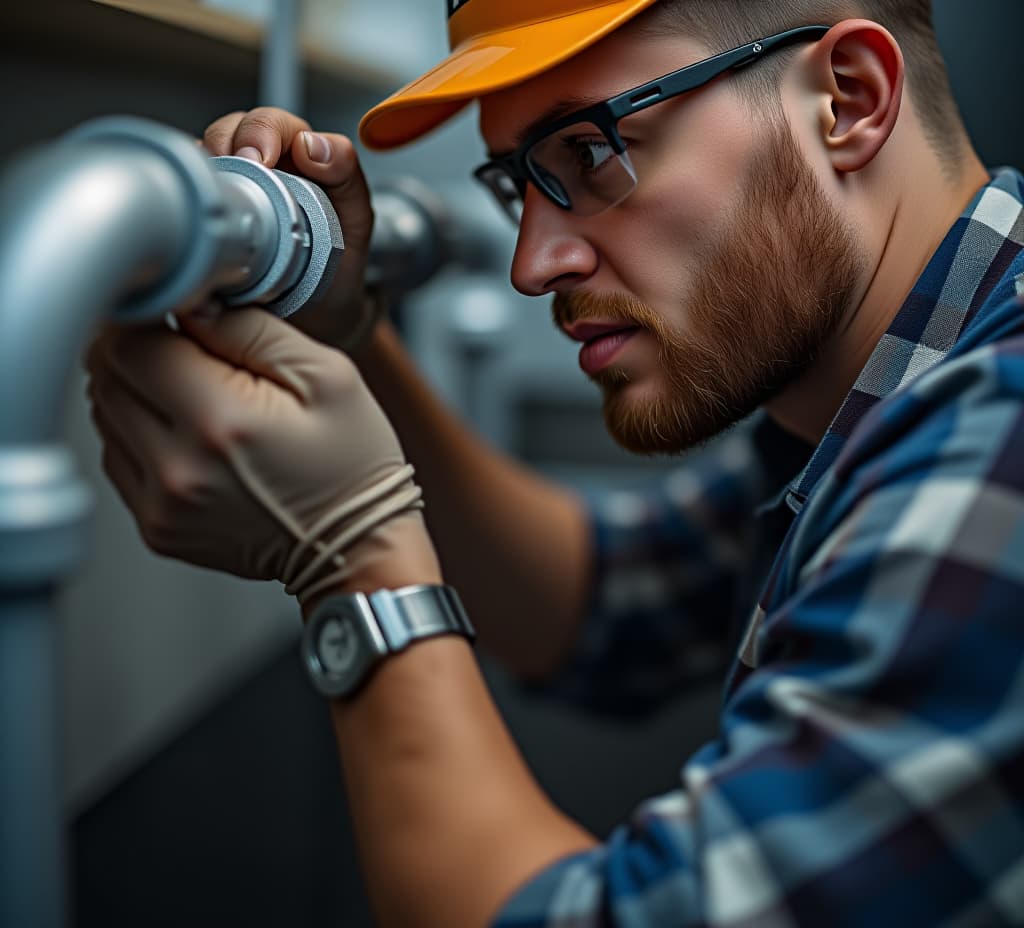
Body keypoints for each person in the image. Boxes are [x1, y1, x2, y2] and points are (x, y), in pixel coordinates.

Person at [85, 0, 1024, 925]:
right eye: (518, 182)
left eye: (591, 150)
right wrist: (347, 338)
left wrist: (348, 556)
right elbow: (601, 599)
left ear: (850, 100)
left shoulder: (998, 443)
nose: (532, 263)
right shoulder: (863, 398)